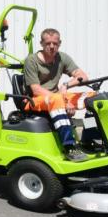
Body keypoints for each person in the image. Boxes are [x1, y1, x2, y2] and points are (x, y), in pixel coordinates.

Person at [22, 28, 96, 162]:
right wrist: (63, 100)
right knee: (56, 99)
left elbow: (83, 76)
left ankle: (88, 137)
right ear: (41, 43)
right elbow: (36, 89)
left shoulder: (62, 58)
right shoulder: (31, 60)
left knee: (93, 98)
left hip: (56, 97)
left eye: (55, 43)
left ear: (59, 43)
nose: (51, 46)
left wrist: (66, 85)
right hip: (34, 100)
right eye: (48, 43)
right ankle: (69, 147)